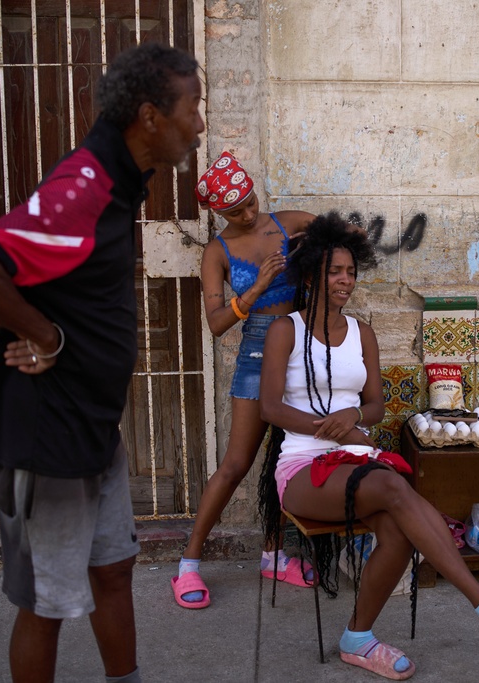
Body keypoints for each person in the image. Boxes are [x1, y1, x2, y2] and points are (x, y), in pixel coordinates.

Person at [0, 43, 204, 683]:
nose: (199, 124)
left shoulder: (118, 183)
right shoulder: (82, 186)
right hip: (46, 439)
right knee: (46, 605)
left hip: (91, 431)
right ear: (149, 116)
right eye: (192, 109)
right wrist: (47, 336)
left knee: (114, 570)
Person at [257, 213, 479, 679]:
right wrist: (329, 428)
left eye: (351, 272)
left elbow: (375, 406)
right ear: (311, 274)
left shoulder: (361, 334)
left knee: (396, 529)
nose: (345, 280)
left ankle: (357, 639)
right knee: (395, 490)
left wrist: (353, 419)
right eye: (335, 271)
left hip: (356, 458)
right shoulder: (284, 331)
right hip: (302, 468)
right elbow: (270, 407)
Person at [170, 152, 316, 608]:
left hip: (301, 347)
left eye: (251, 203)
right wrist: (255, 290)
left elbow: (347, 236)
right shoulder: (217, 252)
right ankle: (188, 565)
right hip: (256, 351)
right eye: (237, 211)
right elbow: (215, 323)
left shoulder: (287, 221)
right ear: (220, 213)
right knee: (237, 462)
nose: (249, 214)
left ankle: (273, 554)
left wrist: (320, 242)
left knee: (283, 456)